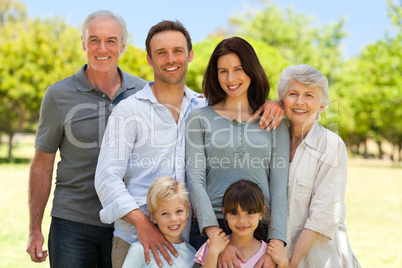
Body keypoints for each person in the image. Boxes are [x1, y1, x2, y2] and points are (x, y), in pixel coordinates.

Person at [95, 22, 284, 268]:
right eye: (161, 52)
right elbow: (107, 179)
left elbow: (238, 102)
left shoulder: (201, 107)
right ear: (150, 60)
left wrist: (274, 103)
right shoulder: (129, 111)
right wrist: (144, 225)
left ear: (190, 55)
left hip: (189, 243)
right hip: (137, 242)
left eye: (178, 50)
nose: (170, 59)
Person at [25, 10, 147, 267]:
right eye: (94, 40)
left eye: (111, 40)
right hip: (72, 224)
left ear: (123, 45)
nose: (102, 48)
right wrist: (35, 228)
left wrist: (254, 106)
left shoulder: (144, 92)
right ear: (83, 43)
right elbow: (42, 164)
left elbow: (190, 106)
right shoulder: (58, 95)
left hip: (127, 225)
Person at [185, 36, 289, 268]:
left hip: (258, 230)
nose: (230, 79)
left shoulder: (274, 121)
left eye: (238, 69)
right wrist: (216, 239)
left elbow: (279, 186)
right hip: (212, 228)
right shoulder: (199, 119)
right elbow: (196, 179)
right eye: (223, 71)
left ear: (251, 70)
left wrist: (277, 243)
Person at [276, 64, 361, 267]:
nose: (299, 102)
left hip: (320, 257)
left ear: (321, 105)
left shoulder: (331, 145)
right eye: (293, 93)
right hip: (277, 257)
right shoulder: (272, 141)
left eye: (309, 95)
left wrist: (291, 263)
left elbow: (323, 215)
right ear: (282, 101)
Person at [194, 180, 288, 268]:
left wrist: (283, 264)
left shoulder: (271, 254)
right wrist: (213, 253)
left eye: (249, 212)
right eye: (235, 213)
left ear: (261, 213)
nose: (242, 220)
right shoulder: (213, 246)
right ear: (225, 213)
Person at [122, 177, 196, 267]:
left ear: (187, 210)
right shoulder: (140, 250)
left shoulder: (192, 254)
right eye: (165, 213)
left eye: (179, 211)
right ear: (153, 216)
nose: (173, 219)